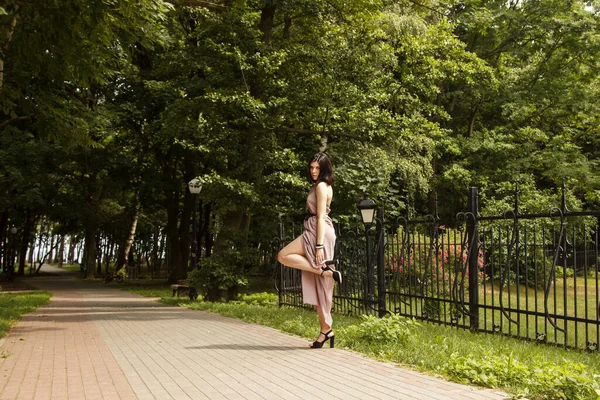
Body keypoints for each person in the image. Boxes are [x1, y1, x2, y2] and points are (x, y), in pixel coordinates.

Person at [278, 152, 341, 349]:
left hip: (318, 231)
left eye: (317, 168)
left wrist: (319, 245)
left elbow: (321, 216)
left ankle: (323, 270)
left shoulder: (322, 186)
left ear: (324, 169)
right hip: (314, 229)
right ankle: (326, 331)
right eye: (311, 167)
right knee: (318, 286)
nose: (313, 171)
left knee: (283, 255)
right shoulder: (322, 185)